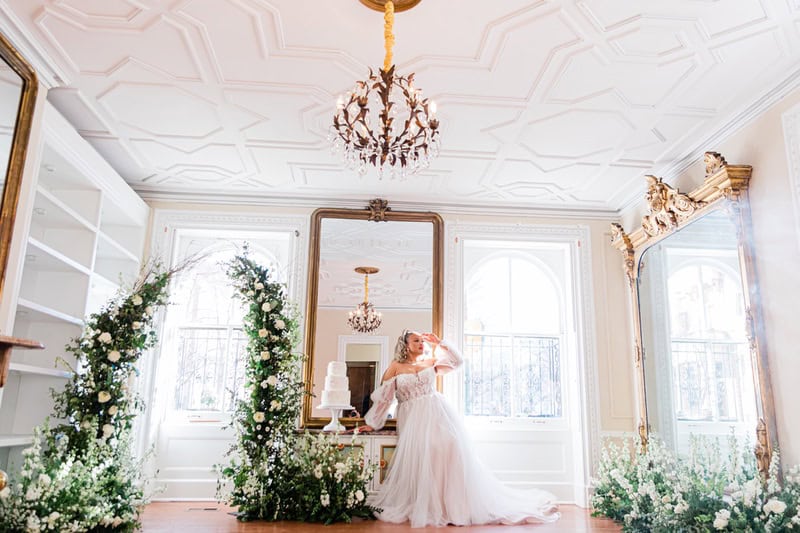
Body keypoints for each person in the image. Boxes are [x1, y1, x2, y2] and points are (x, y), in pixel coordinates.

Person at [356, 330, 560, 528]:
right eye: (416, 341)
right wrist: (372, 423)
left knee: (451, 450)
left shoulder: (430, 362)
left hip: (438, 415)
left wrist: (439, 343)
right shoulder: (396, 367)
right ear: (405, 345)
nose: (421, 344)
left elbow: (457, 361)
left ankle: (455, 507)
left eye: (422, 341)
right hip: (414, 419)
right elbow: (384, 399)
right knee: (427, 457)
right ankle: (430, 505)